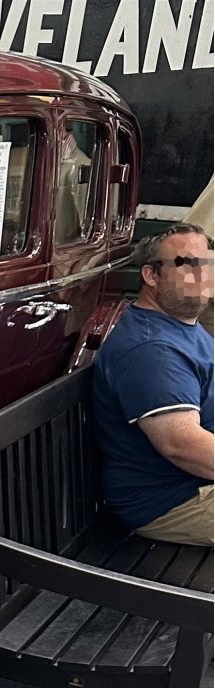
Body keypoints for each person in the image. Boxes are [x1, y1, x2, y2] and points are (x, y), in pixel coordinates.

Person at [92, 223, 214, 546]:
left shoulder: (180, 326)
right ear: (150, 275)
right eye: (188, 264)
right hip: (174, 501)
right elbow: (181, 445)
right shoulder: (151, 349)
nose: (203, 274)